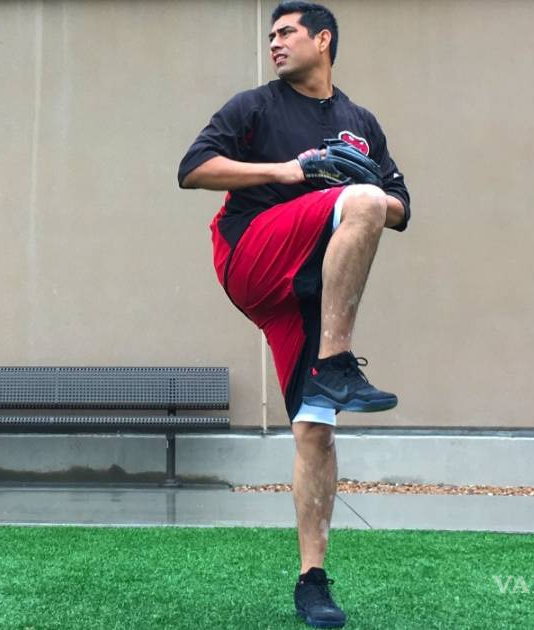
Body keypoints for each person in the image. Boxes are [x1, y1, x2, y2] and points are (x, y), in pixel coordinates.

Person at [177, 2, 412, 627]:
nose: (275, 43)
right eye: (271, 34)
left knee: (315, 429)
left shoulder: (360, 121)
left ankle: (313, 580)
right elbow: (192, 170)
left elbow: (400, 207)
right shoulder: (253, 106)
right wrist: (294, 171)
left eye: (287, 32)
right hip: (251, 253)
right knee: (361, 200)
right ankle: (337, 361)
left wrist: (361, 191)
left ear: (323, 39)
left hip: (306, 292)